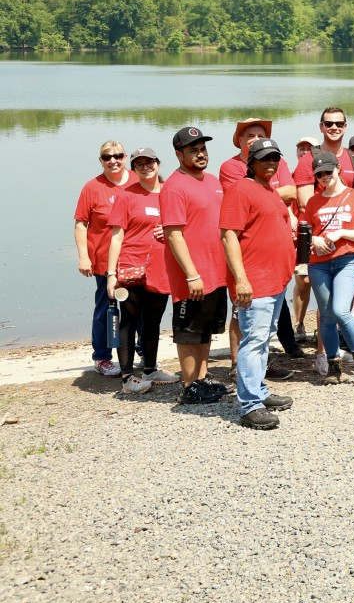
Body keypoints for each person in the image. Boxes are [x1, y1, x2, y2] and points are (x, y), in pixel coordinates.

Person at [221, 138, 298, 430]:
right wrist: (240, 279)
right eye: (264, 158)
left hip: (275, 281)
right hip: (254, 282)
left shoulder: (269, 190)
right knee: (253, 341)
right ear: (250, 162)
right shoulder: (239, 190)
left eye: (275, 158)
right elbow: (228, 236)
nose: (270, 163)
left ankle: (259, 391)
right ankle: (249, 405)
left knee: (264, 338)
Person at [219, 117, 305, 366]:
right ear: (241, 142)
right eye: (250, 136)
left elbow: (293, 192)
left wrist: (265, 197)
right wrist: (267, 198)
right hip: (250, 264)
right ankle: (240, 369)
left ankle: (260, 370)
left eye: (259, 134)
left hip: (274, 269)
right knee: (243, 317)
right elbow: (240, 203)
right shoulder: (231, 167)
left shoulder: (276, 161)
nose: (255, 139)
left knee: (266, 326)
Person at [160, 126, 230, 405]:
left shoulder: (212, 180)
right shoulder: (174, 187)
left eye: (203, 149)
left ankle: (202, 377)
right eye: (193, 150)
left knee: (205, 329)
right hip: (193, 274)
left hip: (216, 270)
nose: (200, 154)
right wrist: (191, 274)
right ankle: (189, 386)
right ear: (179, 154)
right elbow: (174, 234)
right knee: (189, 331)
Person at [298, 151, 354, 387]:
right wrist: (315, 241)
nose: (324, 177)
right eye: (319, 174)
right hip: (319, 264)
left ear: (338, 170)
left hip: (347, 261)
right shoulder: (313, 201)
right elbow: (305, 234)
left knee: (342, 310)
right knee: (327, 315)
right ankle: (333, 363)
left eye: (328, 172)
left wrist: (341, 233)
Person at [105, 148, 178, 394]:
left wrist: (167, 231)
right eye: (139, 165)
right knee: (129, 320)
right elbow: (116, 237)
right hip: (130, 268)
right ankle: (127, 377)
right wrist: (111, 274)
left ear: (158, 163)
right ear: (133, 169)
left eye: (149, 162)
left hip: (162, 268)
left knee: (153, 321)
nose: (146, 167)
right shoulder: (127, 196)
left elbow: (183, 226)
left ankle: (150, 368)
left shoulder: (170, 193)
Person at [74, 139, 135, 376]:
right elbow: (80, 224)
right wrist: (83, 257)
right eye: (107, 157)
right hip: (101, 258)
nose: (113, 161)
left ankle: (139, 352)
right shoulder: (92, 187)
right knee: (105, 308)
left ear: (125, 157)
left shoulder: (138, 181)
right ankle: (102, 357)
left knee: (135, 308)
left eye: (118, 156)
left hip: (133, 258)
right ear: (101, 161)